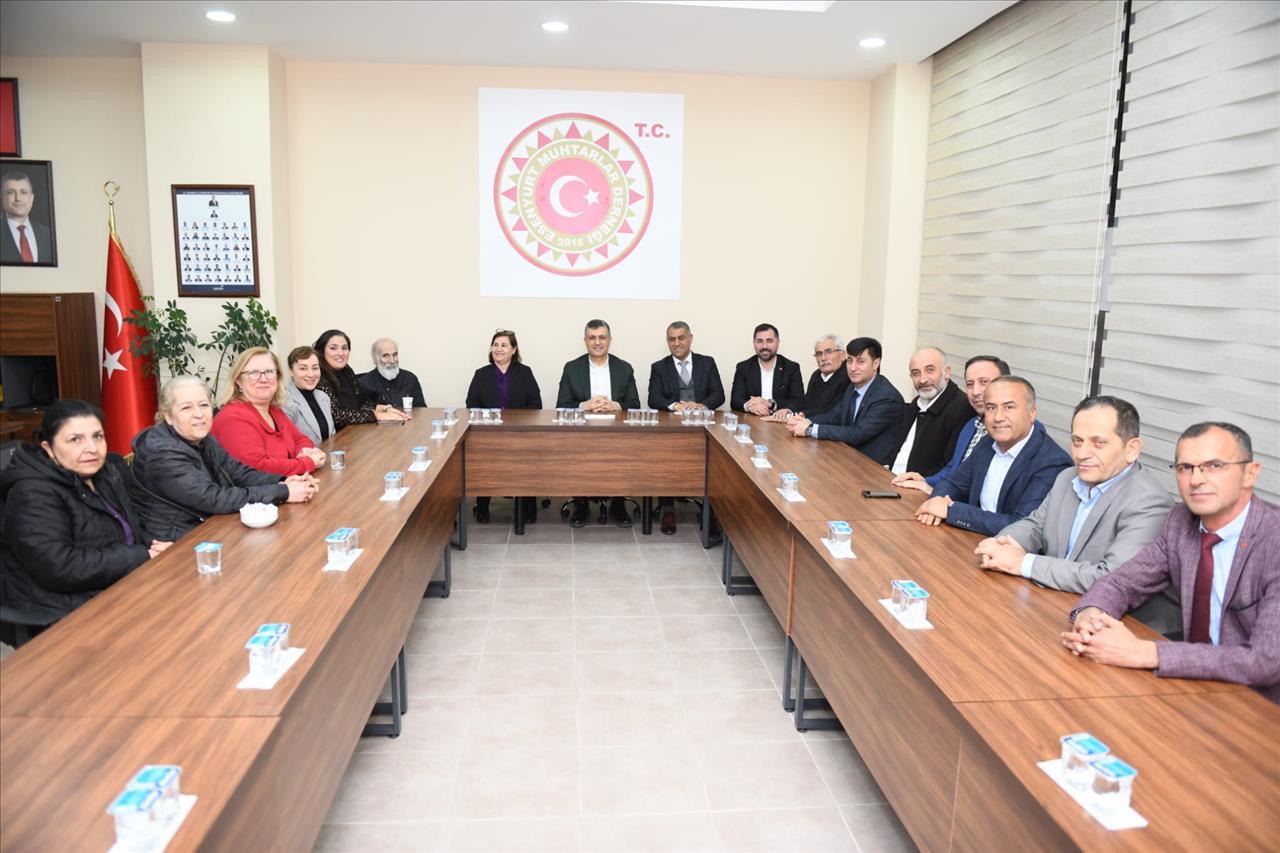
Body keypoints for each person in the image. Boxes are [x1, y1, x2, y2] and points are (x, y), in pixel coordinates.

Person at [1063, 422, 1279, 703]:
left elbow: (1265, 661)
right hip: (1194, 688)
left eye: (1214, 466)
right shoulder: (1181, 521)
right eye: (1185, 467)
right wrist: (1091, 615)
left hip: (1262, 706)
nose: (1196, 479)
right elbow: (1122, 582)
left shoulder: (1273, 539)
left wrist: (1145, 652)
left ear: (1250, 473)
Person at [975, 396, 1179, 634]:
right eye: (1077, 441)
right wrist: (1004, 544)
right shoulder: (1067, 477)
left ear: (1131, 449)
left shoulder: (1149, 502)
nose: (1082, 454)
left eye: (1098, 443)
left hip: (1125, 629)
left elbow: (1110, 578)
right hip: (1056, 604)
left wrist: (1023, 563)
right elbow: (1035, 526)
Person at [0, 400, 171, 627]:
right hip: (65, 609)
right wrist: (141, 555)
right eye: (75, 439)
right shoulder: (32, 491)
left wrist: (155, 545)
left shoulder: (105, 472)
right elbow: (59, 566)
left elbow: (130, 528)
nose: (92, 448)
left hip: (123, 584)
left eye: (97, 436)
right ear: (48, 448)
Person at [131, 376, 318, 541]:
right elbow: (213, 498)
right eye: (186, 408)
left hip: (211, 526)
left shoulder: (202, 437)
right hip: (176, 545)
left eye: (204, 405)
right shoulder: (161, 455)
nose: (199, 414)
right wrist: (283, 492)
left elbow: (237, 471)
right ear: (168, 416)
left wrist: (284, 481)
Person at [915, 376, 1071, 536]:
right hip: (971, 538)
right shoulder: (987, 443)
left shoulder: (1052, 462)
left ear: (1032, 413)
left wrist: (951, 510)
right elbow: (953, 483)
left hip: (1010, 548)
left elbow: (1022, 525)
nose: (998, 417)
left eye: (1009, 407)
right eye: (990, 408)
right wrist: (936, 503)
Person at [556, 319, 641, 528]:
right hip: (582, 432)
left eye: (602, 337)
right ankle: (581, 504)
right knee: (577, 452)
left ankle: (618, 504)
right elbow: (561, 405)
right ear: (585, 341)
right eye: (592, 338)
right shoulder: (572, 368)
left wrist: (616, 405)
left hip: (617, 433)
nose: (597, 342)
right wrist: (584, 405)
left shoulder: (624, 368)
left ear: (610, 340)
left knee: (624, 453)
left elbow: (635, 404)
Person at [647, 321, 725, 535]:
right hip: (672, 431)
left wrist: (702, 405)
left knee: (714, 464)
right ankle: (668, 509)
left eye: (681, 338)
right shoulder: (659, 367)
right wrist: (675, 406)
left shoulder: (707, 363)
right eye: (672, 339)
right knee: (665, 461)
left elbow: (718, 394)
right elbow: (654, 399)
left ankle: (709, 511)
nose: (677, 343)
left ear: (690, 338)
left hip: (703, 429)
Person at [893, 354, 1010, 494]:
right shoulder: (972, 425)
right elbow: (953, 471)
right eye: (970, 384)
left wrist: (939, 495)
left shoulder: (1011, 433)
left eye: (984, 382)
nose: (976, 392)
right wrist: (925, 481)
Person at [786, 337, 905, 466]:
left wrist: (809, 429)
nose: (852, 368)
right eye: (849, 361)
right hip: (848, 457)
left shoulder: (887, 397)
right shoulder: (853, 387)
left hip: (872, 467)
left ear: (876, 363)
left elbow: (857, 434)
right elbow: (833, 417)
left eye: (860, 362)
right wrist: (804, 421)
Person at [466, 329, 542, 524]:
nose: (498, 349)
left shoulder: (525, 373)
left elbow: (535, 404)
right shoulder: (481, 374)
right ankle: (482, 506)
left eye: (504, 345)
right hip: (488, 434)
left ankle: (528, 506)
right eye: (495, 345)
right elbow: (471, 405)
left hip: (520, 433)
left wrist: (518, 423)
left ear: (514, 350)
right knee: (485, 462)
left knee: (525, 462)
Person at [211, 347, 326, 476]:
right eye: (254, 372)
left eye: (269, 371)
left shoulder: (273, 410)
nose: (263, 379)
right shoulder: (232, 418)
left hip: (286, 484)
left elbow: (301, 440)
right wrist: (306, 463)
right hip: (257, 488)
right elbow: (256, 468)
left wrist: (304, 452)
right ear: (238, 381)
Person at [888, 347, 972, 478]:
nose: (922, 380)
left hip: (920, 485)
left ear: (946, 372)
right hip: (891, 477)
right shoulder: (917, 403)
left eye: (930, 370)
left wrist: (915, 480)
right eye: (916, 373)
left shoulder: (962, 408)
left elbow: (950, 468)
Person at [313, 329, 407, 430]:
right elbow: (337, 416)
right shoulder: (318, 375)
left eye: (344, 348)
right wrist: (376, 415)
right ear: (322, 351)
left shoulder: (346, 370)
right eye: (333, 348)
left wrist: (384, 408)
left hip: (355, 431)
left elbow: (361, 402)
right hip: (336, 436)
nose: (340, 353)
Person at [768, 334, 849, 421]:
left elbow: (831, 411)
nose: (823, 358)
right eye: (818, 353)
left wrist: (800, 415)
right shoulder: (817, 375)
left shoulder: (849, 377)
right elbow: (806, 401)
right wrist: (788, 410)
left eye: (829, 352)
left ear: (843, 355)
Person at [730, 324, 805, 416]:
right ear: (754, 343)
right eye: (760, 341)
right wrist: (749, 406)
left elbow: (799, 401)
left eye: (769, 341)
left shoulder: (791, 368)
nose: (764, 346)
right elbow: (735, 400)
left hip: (780, 421)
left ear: (778, 342)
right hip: (753, 420)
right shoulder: (743, 367)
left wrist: (770, 404)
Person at [281, 345, 336, 445]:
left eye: (315, 368)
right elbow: (286, 444)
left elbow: (331, 436)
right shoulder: (284, 401)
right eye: (303, 368)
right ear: (290, 371)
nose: (311, 374)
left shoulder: (324, 397)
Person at [358, 337, 426, 410]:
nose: (392, 361)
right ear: (375, 359)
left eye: (395, 355)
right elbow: (363, 412)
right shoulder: (364, 383)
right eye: (386, 356)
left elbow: (421, 410)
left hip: (410, 417)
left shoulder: (410, 379)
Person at [1, 171, 53, 264]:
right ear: (2, 198)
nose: (18, 198)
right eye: (11, 192)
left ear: (32, 198)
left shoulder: (48, 235)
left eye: (23, 192)